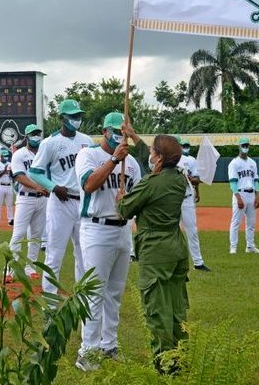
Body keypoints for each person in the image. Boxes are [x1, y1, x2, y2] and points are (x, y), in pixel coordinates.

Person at [74, 112, 141, 372]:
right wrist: (114, 160)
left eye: (123, 132)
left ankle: (109, 345)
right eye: (114, 131)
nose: (118, 136)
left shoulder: (132, 163)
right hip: (96, 228)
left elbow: (135, 198)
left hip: (123, 229)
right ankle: (87, 352)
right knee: (94, 293)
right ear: (104, 131)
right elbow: (89, 185)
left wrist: (127, 198)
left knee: (115, 292)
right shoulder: (88, 155)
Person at [116, 134, 189, 362]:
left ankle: (165, 361)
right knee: (177, 308)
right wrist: (133, 134)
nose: (149, 154)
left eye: (152, 152)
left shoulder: (151, 183)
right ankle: (181, 356)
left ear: (159, 157)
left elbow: (125, 210)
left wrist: (121, 198)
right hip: (176, 248)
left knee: (156, 309)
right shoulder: (179, 179)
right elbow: (151, 158)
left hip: (155, 250)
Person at [28, 99, 91, 294]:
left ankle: (82, 297)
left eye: (78, 116)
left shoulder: (87, 141)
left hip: (83, 202)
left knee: (84, 254)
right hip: (60, 203)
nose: (76, 119)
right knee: (54, 254)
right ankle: (50, 301)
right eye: (72, 116)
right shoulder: (49, 142)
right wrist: (54, 187)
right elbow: (34, 172)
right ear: (61, 118)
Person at [5, 124, 48, 282]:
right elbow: (19, 176)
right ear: (27, 136)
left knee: (36, 236)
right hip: (25, 198)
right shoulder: (20, 154)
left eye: (38, 134)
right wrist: (38, 186)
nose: (36, 136)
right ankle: (9, 269)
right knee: (18, 234)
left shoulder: (44, 153)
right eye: (33, 134)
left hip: (43, 199)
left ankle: (30, 267)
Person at [178, 138, 211, 271]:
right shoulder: (167, 159)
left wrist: (194, 186)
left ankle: (198, 262)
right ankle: (174, 262)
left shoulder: (191, 160)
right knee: (171, 231)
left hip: (187, 198)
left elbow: (197, 179)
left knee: (192, 231)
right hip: (173, 199)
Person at [228, 137, 259, 254]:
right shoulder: (234, 163)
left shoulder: (253, 163)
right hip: (240, 193)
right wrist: (238, 198)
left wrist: (258, 196)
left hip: (251, 194)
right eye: (243, 145)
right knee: (236, 222)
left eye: (247, 145)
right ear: (239, 147)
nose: (245, 147)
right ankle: (233, 247)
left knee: (251, 223)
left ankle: (250, 246)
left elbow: (256, 180)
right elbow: (233, 182)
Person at [0, 148, 14, 226]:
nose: (6, 157)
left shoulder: (11, 164)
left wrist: (11, 172)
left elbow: (13, 176)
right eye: (4, 156)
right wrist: (4, 171)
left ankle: (11, 219)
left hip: (9, 186)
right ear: (1, 156)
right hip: (0, 186)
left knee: (9, 204)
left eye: (7, 156)